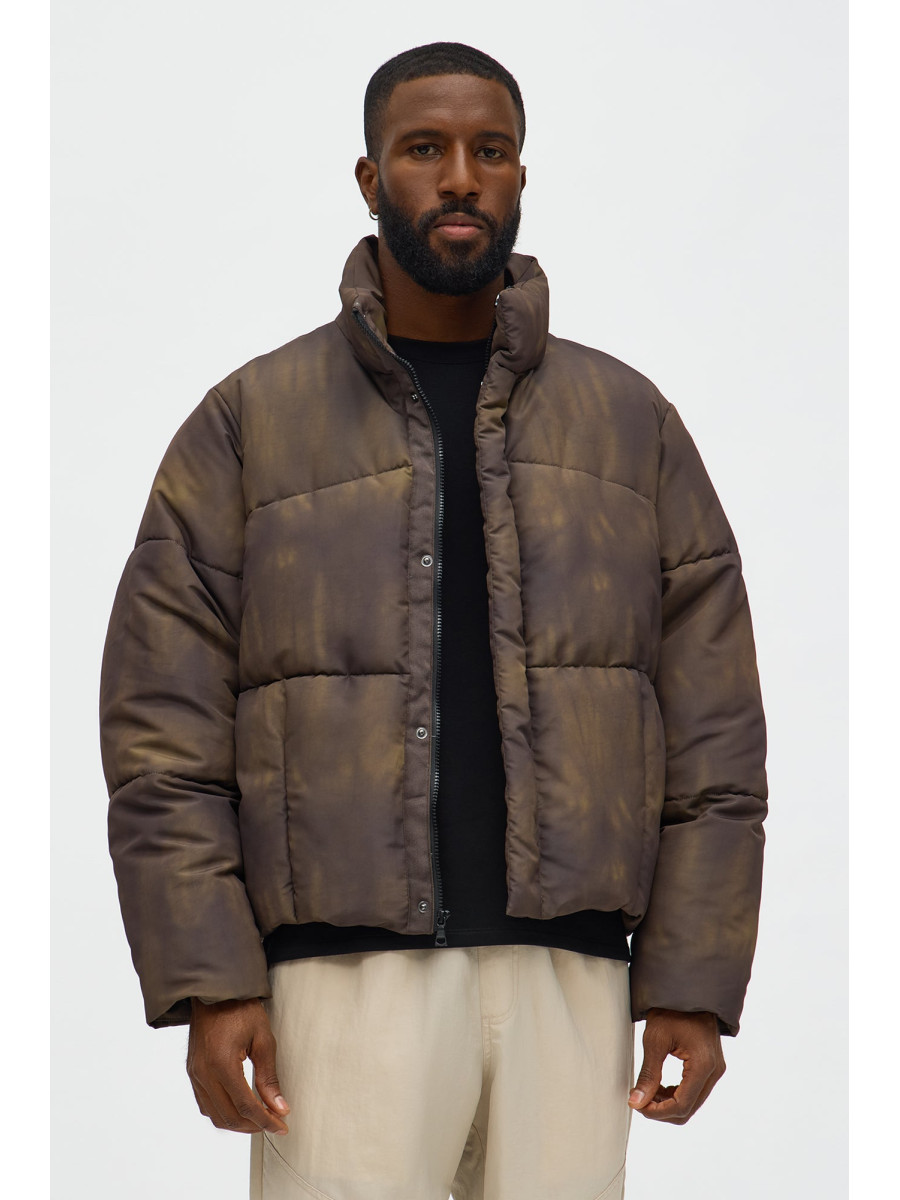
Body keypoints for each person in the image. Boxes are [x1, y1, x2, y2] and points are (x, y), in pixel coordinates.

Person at [99, 41, 768, 1200]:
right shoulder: (253, 421)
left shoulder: (629, 425)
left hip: (570, 979)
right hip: (341, 981)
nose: (460, 176)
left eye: (489, 151)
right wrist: (211, 979)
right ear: (371, 179)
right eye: (424, 149)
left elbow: (715, 732)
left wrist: (694, 982)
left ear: (520, 177)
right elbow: (162, 729)